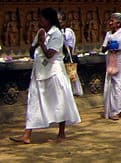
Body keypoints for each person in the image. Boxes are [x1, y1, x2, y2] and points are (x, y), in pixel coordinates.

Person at [9, 8, 81, 144]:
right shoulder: (41, 32)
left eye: (42, 18)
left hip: (54, 72)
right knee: (33, 101)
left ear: (49, 20)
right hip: (39, 72)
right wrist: (37, 42)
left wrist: (42, 43)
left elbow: (49, 54)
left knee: (59, 101)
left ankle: (61, 132)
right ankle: (27, 134)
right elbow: (32, 51)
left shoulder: (57, 34)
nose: (39, 21)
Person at [59, 12, 83, 97]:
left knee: (71, 74)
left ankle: (75, 91)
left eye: (60, 21)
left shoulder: (68, 32)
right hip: (62, 57)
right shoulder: (59, 31)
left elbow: (68, 46)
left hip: (67, 56)